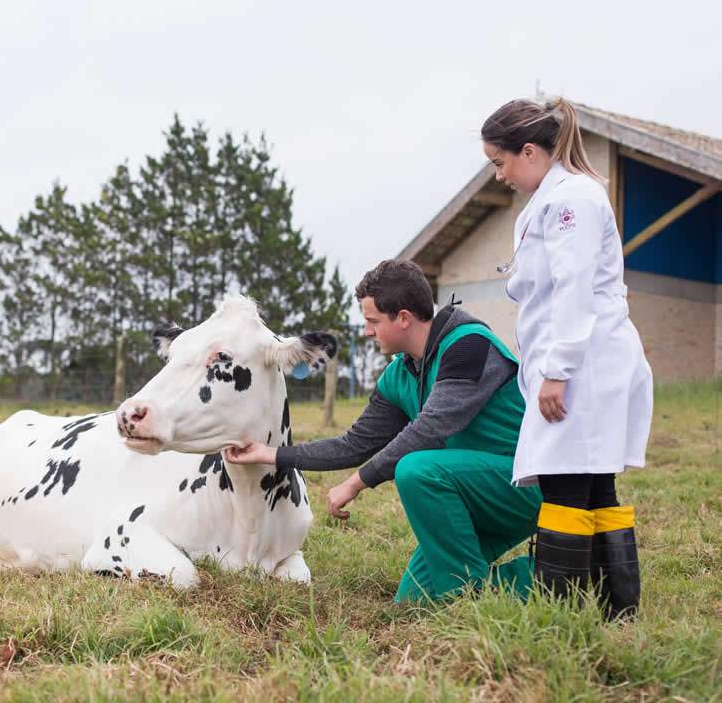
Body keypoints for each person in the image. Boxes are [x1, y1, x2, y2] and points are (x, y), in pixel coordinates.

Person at [226, 259, 542, 604]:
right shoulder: (400, 375)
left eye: (372, 321)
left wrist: (356, 482)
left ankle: (476, 595)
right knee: (413, 600)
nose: (366, 331)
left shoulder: (469, 346)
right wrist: (271, 454)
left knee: (417, 470)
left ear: (403, 318)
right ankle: (540, 580)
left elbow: (432, 428)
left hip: (519, 486)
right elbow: (354, 445)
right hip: (468, 493)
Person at [481, 97, 652, 618]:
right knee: (595, 481)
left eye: (500, 162)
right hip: (579, 363)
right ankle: (616, 612)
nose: (499, 175)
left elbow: (574, 289)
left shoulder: (573, 198)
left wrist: (558, 372)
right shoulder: (553, 201)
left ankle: (561, 615)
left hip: (584, 367)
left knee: (566, 483)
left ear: (529, 151)